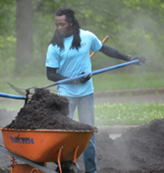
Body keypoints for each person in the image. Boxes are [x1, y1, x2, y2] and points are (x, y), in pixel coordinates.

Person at [45, 7, 146, 173]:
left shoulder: (87, 37)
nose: (59, 28)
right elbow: (50, 74)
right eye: (57, 25)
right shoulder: (55, 46)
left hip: (86, 94)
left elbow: (105, 49)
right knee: (65, 134)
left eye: (62, 24)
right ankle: (64, 168)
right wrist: (73, 80)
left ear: (71, 23)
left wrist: (128, 58)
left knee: (88, 134)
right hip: (65, 96)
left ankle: (91, 171)